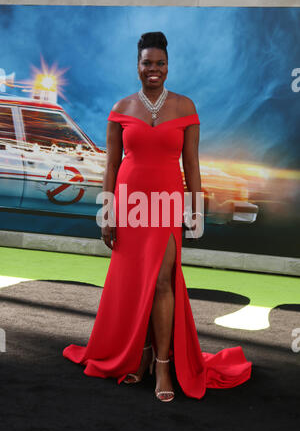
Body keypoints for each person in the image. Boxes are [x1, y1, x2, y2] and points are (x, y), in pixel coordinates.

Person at [63, 32, 251, 403]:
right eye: (147, 63)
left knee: (163, 282)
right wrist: (108, 213)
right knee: (135, 285)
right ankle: (139, 356)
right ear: (138, 65)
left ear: (168, 66)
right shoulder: (121, 107)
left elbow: (192, 166)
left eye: (159, 63)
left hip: (166, 204)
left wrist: (195, 209)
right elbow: (112, 165)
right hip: (130, 205)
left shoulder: (185, 107)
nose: (153, 69)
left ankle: (163, 363)